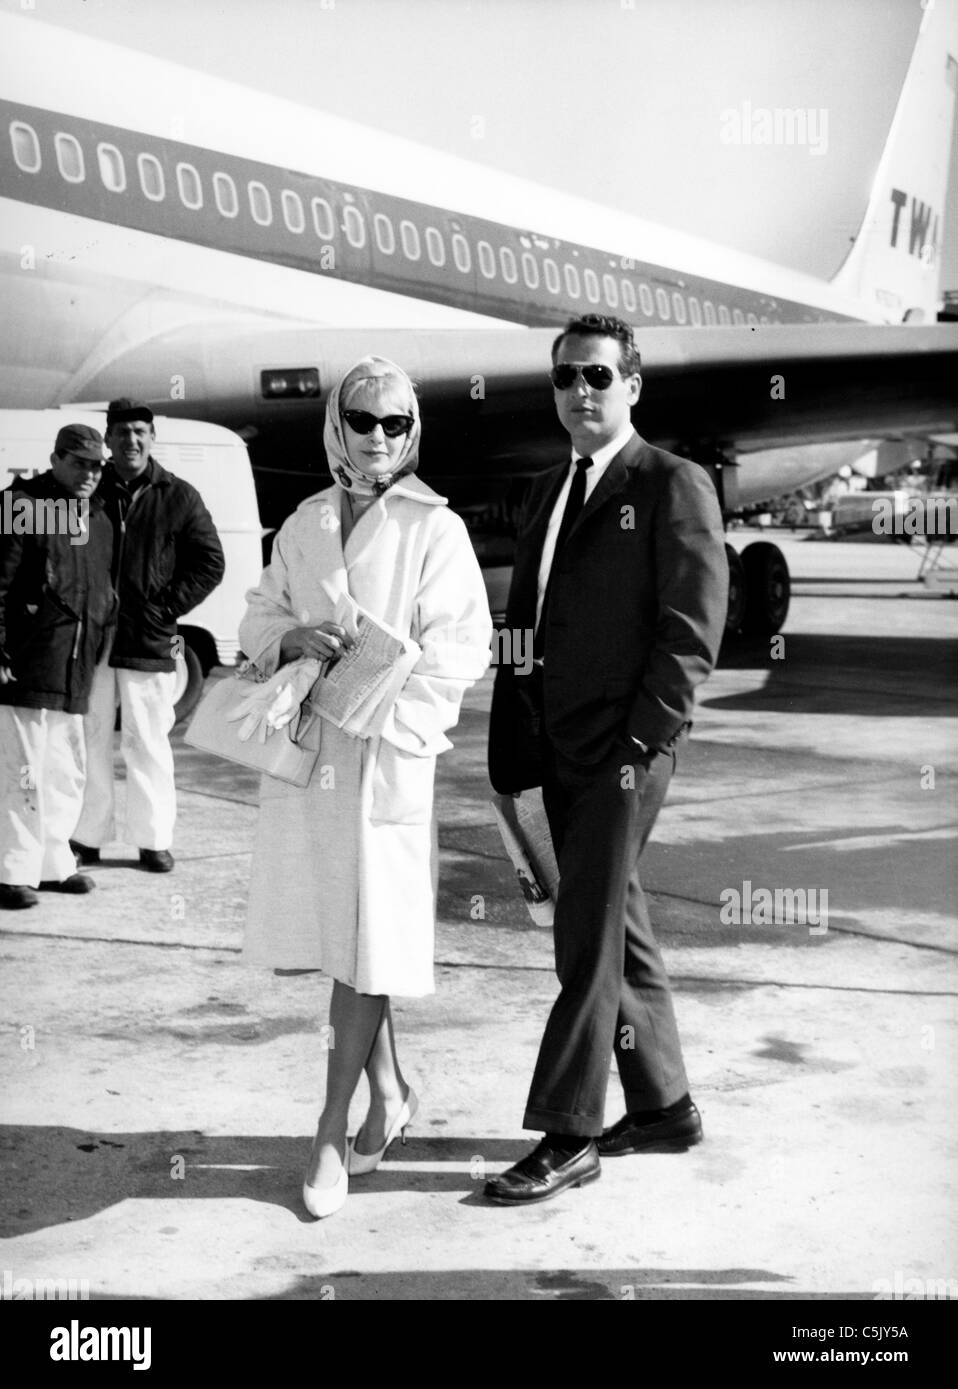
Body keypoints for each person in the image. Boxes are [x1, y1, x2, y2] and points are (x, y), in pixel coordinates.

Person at [240, 356, 491, 1218]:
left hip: (387, 762)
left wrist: (389, 692)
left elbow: (464, 649)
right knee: (346, 939)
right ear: (336, 425)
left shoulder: (435, 528)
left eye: (395, 423)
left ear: (412, 429)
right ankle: (391, 1094)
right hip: (313, 757)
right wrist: (294, 640)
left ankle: (326, 1129)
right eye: (363, 420)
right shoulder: (304, 522)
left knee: (369, 935)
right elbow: (256, 616)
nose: (379, 438)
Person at [486, 314, 728, 1205]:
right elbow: (531, 619)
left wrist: (641, 739)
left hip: (623, 753)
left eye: (596, 375)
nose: (579, 392)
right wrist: (517, 727)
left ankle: (568, 1130)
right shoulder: (548, 487)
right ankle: (663, 1108)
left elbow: (692, 631)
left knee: (582, 940)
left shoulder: (673, 483)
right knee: (615, 923)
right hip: (556, 744)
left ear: (632, 385)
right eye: (564, 378)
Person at [71, 399, 225, 873]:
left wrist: (164, 609)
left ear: (152, 437)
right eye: (121, 433)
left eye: (139, 431)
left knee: (147, 741)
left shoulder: (178, 495)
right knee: (89, 737)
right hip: (91, 641)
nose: (131, 441)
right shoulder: (88, 493)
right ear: (108, 440)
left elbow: (210, 562)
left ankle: (153, 840)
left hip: (148, 640)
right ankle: (87, 836)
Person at [0, 424, 116, 909]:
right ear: (55, 458)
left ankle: (53, 865)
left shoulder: (100, 518)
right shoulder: (22, 505)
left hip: (76, 666)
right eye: (79, 462)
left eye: (96, 465)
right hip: (28, 662)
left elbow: (102, 592)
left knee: (66, 769)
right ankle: (13, 872)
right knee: (22, 771)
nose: (89, 473)